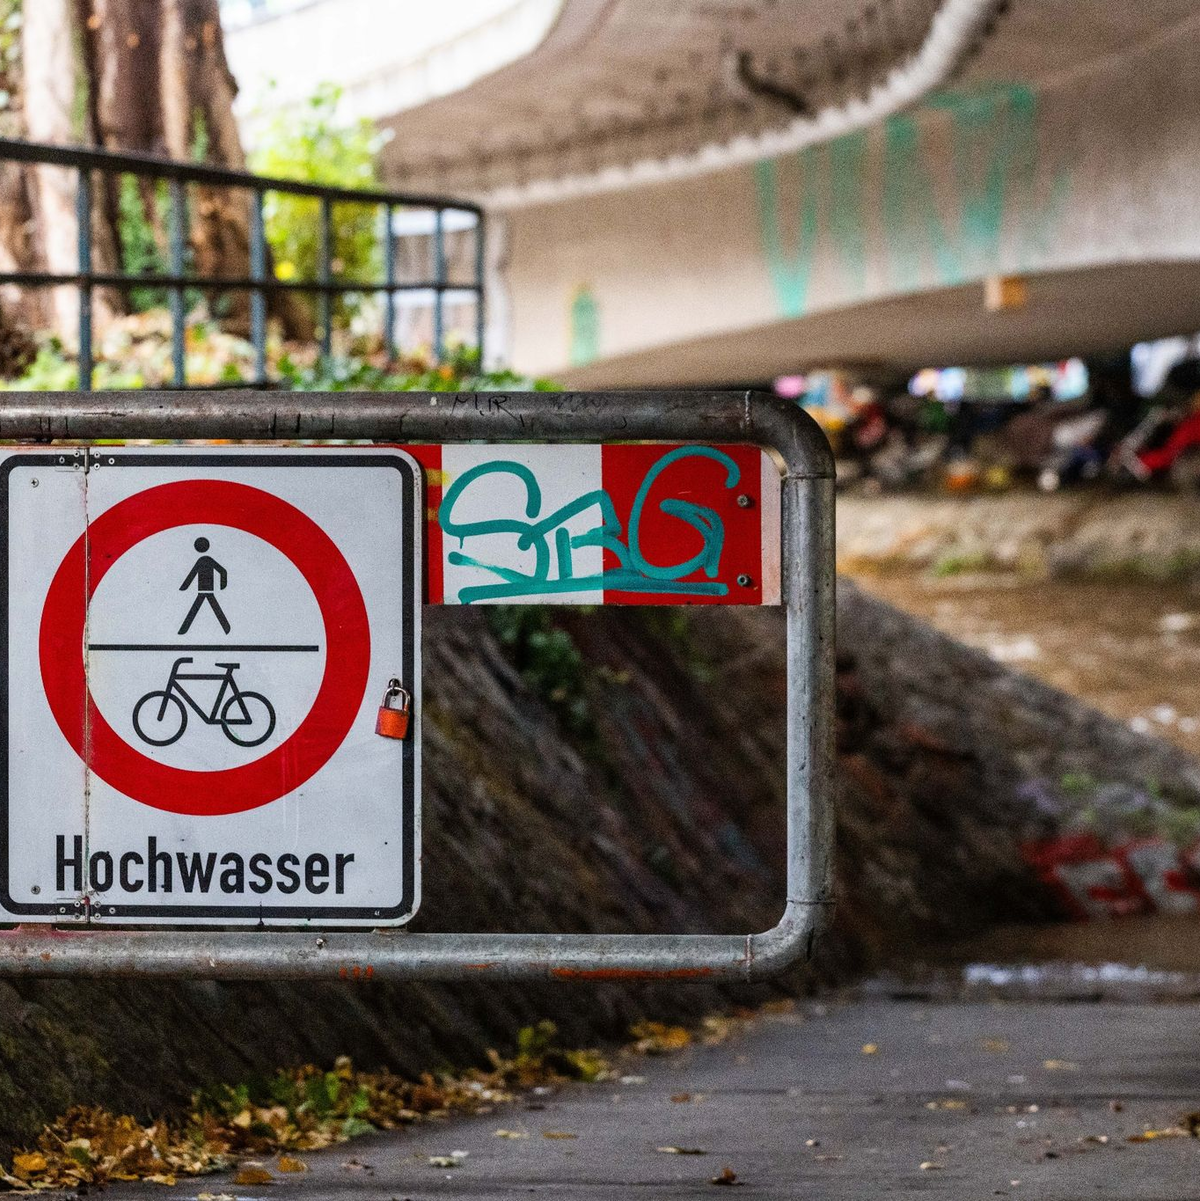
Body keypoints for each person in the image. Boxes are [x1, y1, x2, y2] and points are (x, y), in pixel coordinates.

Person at [178, 536, 230, 635]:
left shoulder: (204, 560)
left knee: (200, 609)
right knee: (212, 608)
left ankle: (183, 630)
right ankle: (226, 629)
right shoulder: (206, 560)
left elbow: (192, 574)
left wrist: (184, 587)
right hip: (204, 591)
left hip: (205, 590)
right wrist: (222, 585)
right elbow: (222, 571)